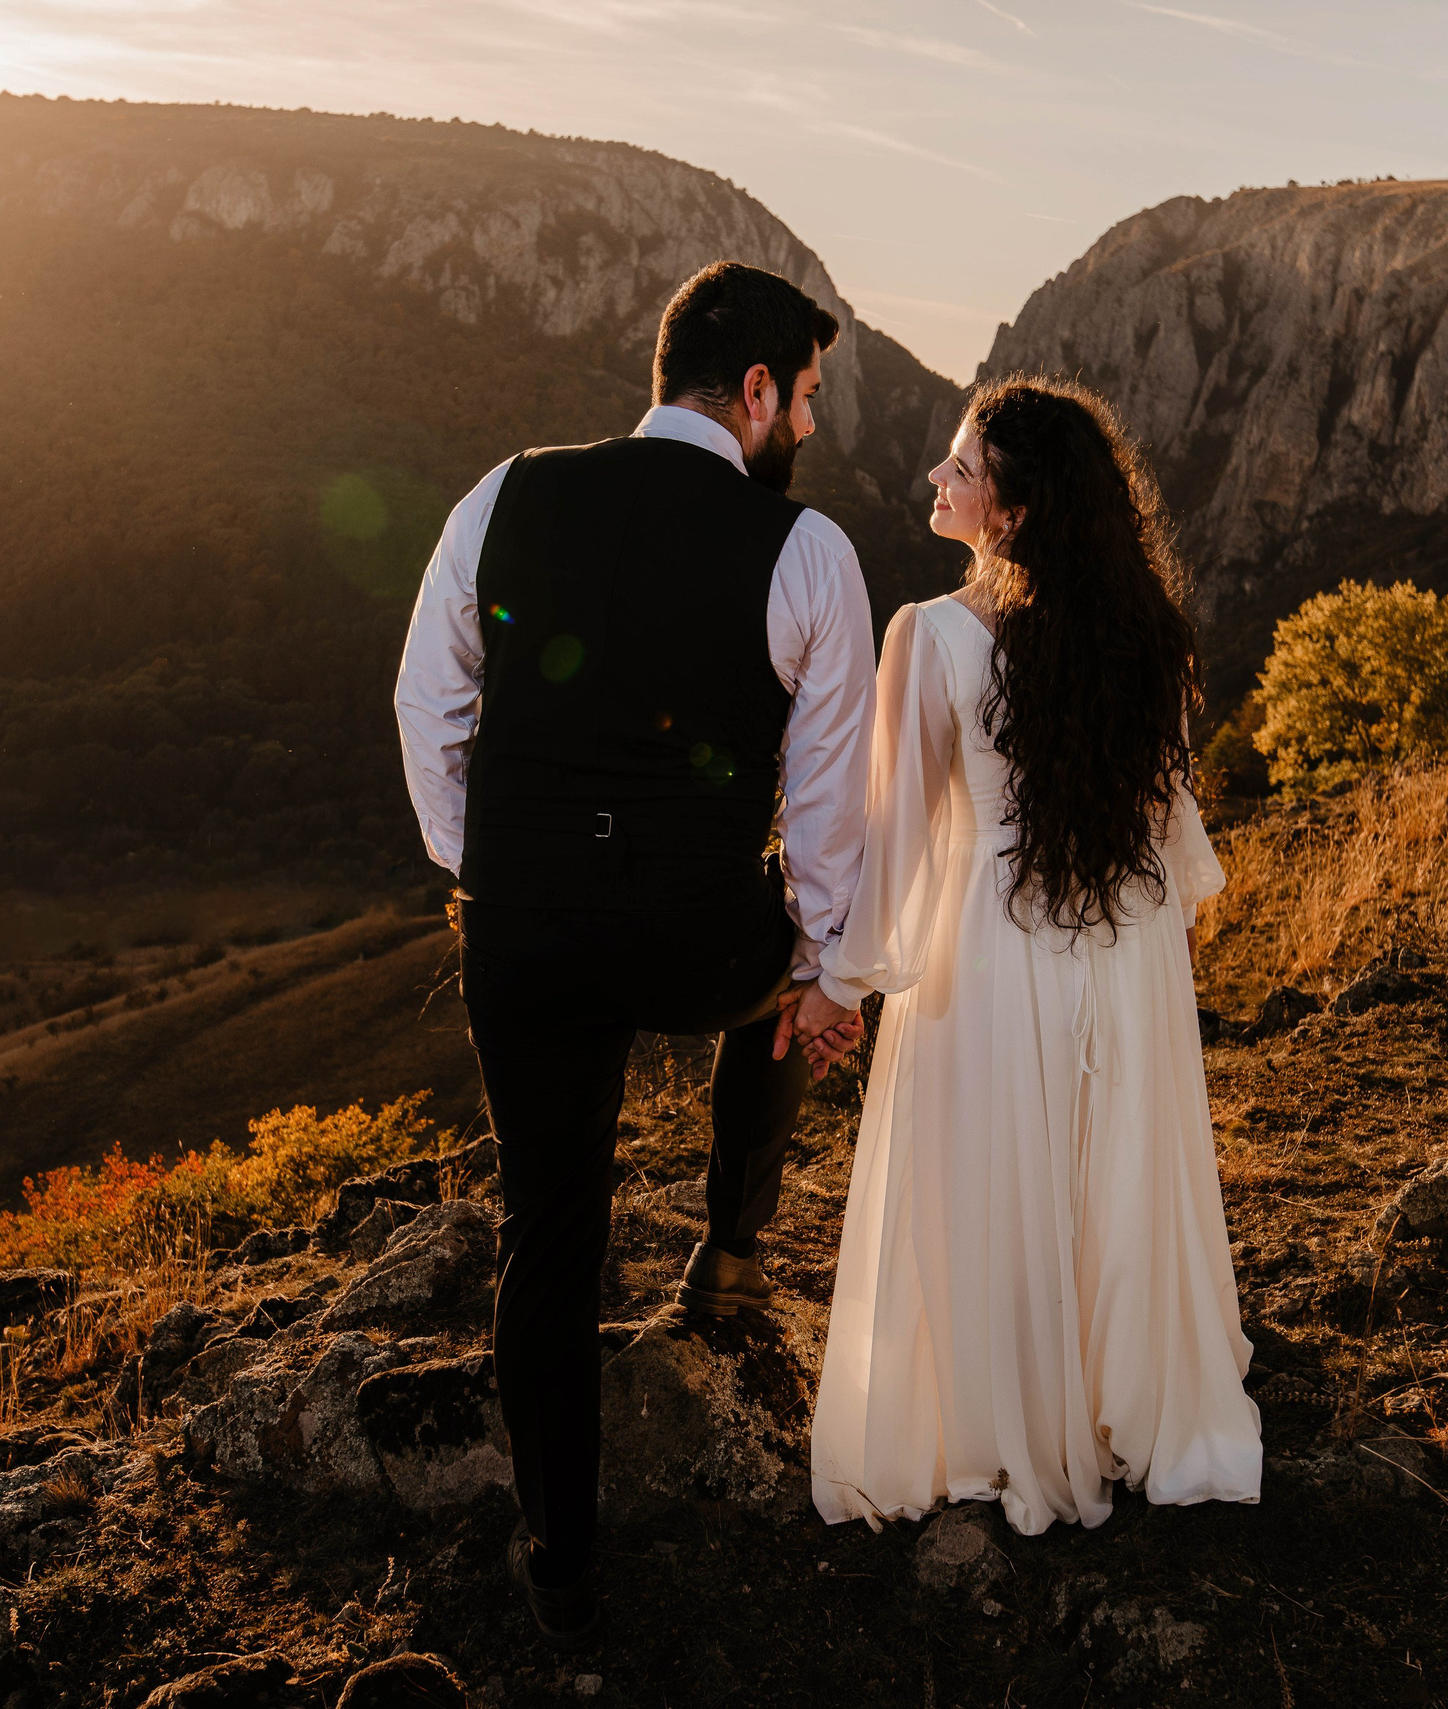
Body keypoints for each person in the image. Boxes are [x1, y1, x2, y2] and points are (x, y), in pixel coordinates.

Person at [394, 260, 875, 1645]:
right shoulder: (809, 555)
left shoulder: (504, 492)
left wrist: (481, 864)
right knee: (794, 969)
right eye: (811, 402)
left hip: (525, 935)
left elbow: (431, 704)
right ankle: (730, 1248)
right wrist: (830, 970)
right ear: (762, 393)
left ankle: (561, 1559)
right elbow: (832, 809)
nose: (814, 433)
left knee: (549, 1229)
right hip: (696, 942)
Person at [799, 375, 1264, 1536]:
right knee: (1106, 1173)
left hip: (991, 949)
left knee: (992, 1175)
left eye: (958, 469)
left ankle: (1002, 1415)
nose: (934, 480)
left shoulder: (935, 633)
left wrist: (837, 980)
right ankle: (1123, 1400)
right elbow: (1167, 824)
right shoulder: (1143, 634)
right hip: (1121, 943)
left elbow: (896, 837)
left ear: (1009, 511)